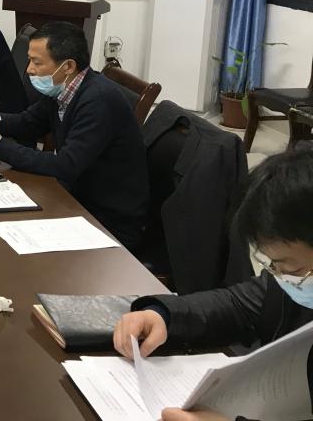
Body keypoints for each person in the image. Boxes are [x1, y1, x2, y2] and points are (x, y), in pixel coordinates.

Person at [113, 150, 313, 421]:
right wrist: (163, 316)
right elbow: (239, 304)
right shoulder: (292, 280)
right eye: (273, 266)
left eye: (293, 269)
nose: (282, 276)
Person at [0, 20, 148, 251]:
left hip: (107, 218)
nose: (29, 69)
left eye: (37, 62)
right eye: (29, 60)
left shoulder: (98, 101)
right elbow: (28, 123)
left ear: (68, 66)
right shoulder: (65, 87)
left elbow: (65, 165)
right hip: (76, 195)